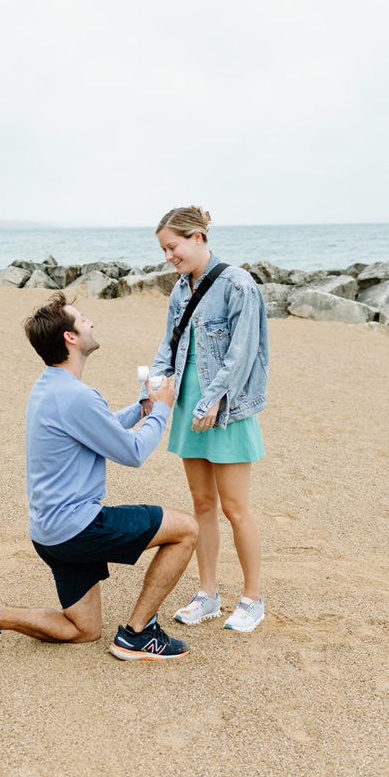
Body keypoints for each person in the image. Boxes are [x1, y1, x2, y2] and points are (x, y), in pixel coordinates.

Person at [0, 293, 200, 666]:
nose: (91, 324)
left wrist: (140, 410)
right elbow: (131, 452)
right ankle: (138, 634)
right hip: (77, 529)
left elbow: (95, 429)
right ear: (70, 337)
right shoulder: (77, 397)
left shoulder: (50, 387)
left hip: (49, 533)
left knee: (83, 629)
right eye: (83, 320)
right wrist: (161, 409)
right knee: (187, 529)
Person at [146, 206, 271, 634]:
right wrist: (157, 386)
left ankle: (252, 600)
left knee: (236, 508)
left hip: (226, 409)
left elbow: (243, 352)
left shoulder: (238, 284)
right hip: (188, 407)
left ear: (197, 236)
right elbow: (170, 343)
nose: (168, 256)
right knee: (202, 506)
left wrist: (215, 398)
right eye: (164, 249)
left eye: (173, 247)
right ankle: (208, 593)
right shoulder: (181, 289)